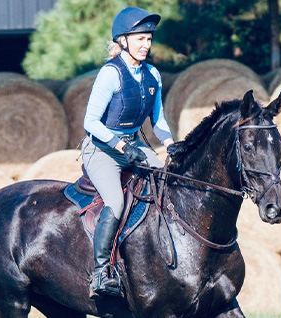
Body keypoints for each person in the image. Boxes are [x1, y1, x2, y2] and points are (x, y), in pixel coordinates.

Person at [81, 6, 175, 298]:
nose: (146, 45)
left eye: (149, 39)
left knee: (168, 186)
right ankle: (100, 274)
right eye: (140, 39)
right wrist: (121, 146)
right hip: (102, 150)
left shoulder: (153, 75)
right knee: (116, 202)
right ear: (122, 41)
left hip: (135, 146)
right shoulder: (111, 73)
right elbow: (90, 122)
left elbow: (157, 122)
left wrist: (172, 145)